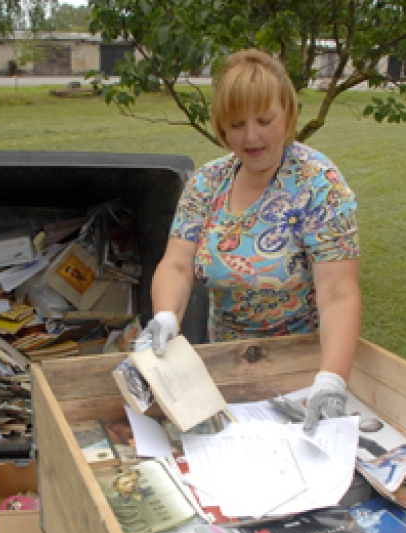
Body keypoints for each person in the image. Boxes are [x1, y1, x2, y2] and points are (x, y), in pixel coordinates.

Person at [141, 49, 361, 434]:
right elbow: (177, 263)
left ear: (288, 115)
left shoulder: (320, 185)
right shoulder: (207, 183)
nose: (251, 136)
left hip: (302, 371)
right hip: (226, 367)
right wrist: (164, 314)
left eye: (265, 120)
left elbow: (339, 293)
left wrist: (331, 380)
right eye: (237, 124)